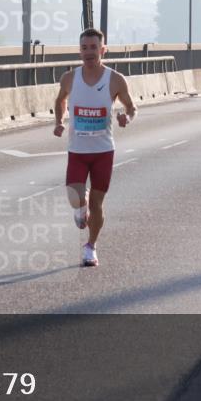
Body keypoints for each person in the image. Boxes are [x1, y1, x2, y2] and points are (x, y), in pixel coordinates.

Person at [53, 28, 136, 267]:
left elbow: (131, 107)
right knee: (75, 195)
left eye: (93, 48)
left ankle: (90, 247)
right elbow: (60, 101)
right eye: (84, 48)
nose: (89, 52)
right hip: (78, 150)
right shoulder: (70, 78)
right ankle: (81, 209)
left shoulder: (115, 79)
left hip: (103, 152)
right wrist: (59, 121)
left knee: (97, 203)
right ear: (80, 51)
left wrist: (127, 119)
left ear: (103, 50)